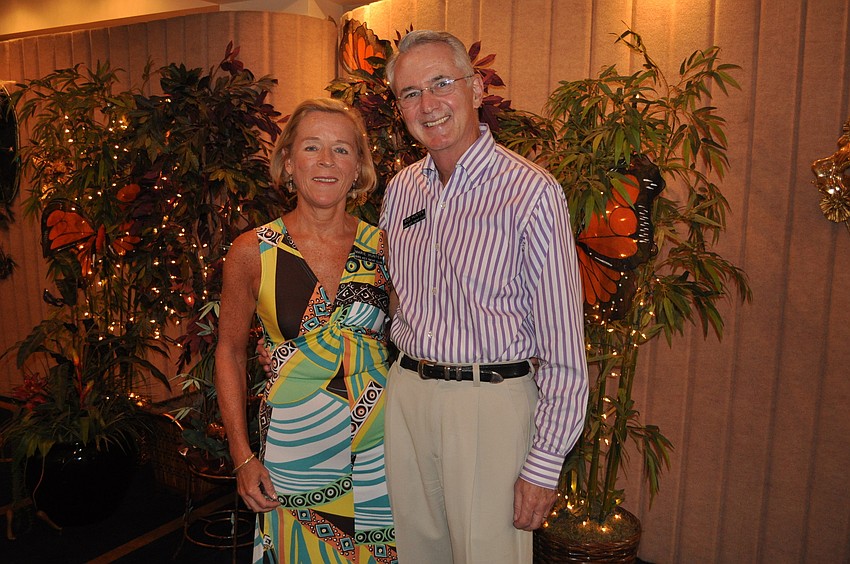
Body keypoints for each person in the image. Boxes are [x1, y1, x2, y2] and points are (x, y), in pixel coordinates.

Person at [379, 30, 588, 563]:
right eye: (409, 93)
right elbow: (393, 298)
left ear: (475, 89)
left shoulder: (532, 193)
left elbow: (564, 351)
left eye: (441, 83)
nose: (427, 105)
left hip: (488, 405)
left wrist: (544, 465)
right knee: (416, 555)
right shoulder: (402, 189)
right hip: (406, 397)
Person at [215, 98, 397, 564]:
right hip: (294, 454)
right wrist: (241, 454)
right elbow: (231, 353)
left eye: (341, 150)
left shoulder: (388, 248)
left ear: (358, 168)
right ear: (288, 163)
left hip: (381, 450)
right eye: (312, 147)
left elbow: (416, 340)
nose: (326, 162)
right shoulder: (250, 251)